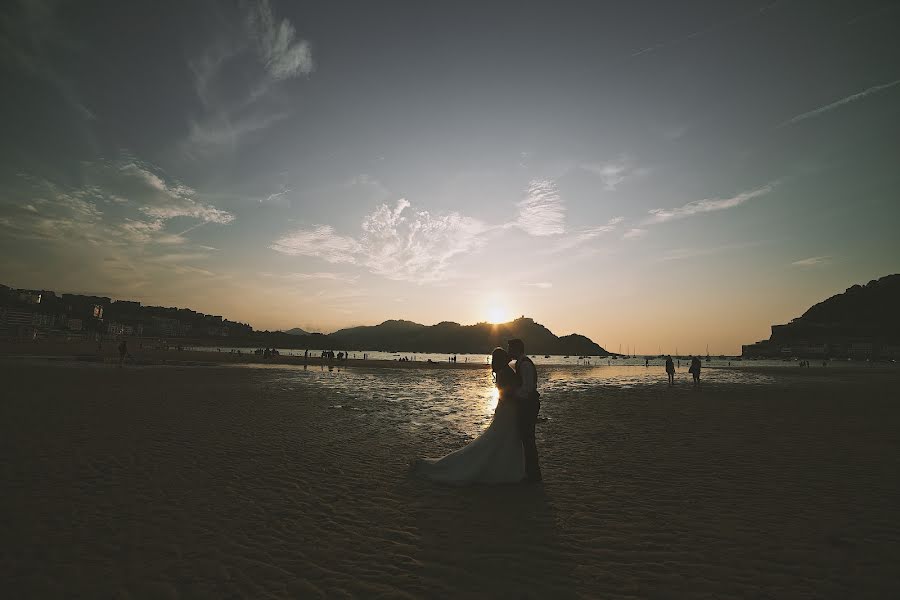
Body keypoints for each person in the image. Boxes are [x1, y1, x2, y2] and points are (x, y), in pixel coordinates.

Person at [412, 348, 525, 484]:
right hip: (508, 410)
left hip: (507, 410)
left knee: (501, 438)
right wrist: (520, 394)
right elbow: (506, 394)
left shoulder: (503, 372)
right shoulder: (504, 372)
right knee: (499, 438)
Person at [508, 338, 542, 482]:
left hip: (529, 404)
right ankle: (530, 472)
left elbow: (528, 388)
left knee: (528, 439)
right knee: (526, 438)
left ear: (517, 349)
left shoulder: (525, 364)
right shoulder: (520, 363)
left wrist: (513, 395)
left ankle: (533, 474)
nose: (509, 351)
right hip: (527, 403)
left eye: (510, 348)